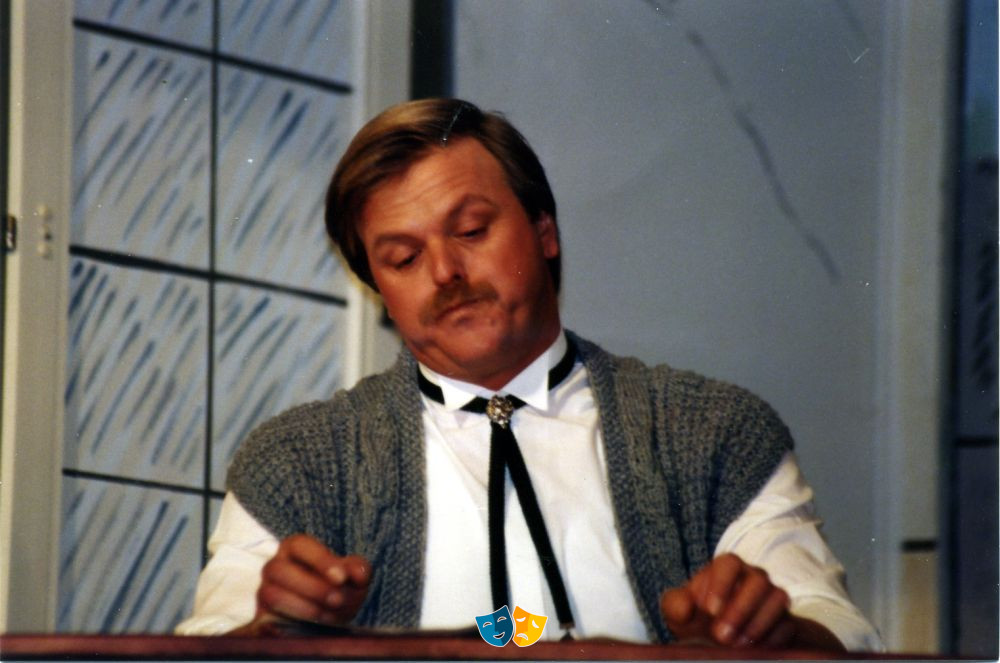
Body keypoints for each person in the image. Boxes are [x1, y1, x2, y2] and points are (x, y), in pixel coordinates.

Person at [176, 98, 882, 651]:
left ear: (545, 231)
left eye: (471, 230)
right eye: (403, 258)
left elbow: (839, 626)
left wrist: (768, 635)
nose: (446, 272)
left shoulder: (714, 433)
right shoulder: (298, 463)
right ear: (380, 292)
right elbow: (202, 647)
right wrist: (274, 635)